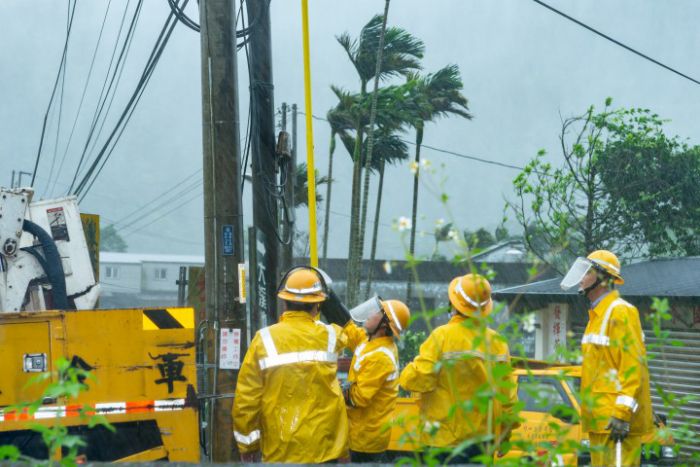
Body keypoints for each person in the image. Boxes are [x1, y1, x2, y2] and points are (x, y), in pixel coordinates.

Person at [232, 266, 349, 463]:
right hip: (326, 449)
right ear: (318, 304)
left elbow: (246, 399)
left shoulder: (264, 339)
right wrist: (331, 303)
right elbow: (355, 333)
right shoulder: (332, 335)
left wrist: (248, 445)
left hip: (281, 450)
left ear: (284, 302)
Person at [399, 273, 518, 464]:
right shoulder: (497, 342)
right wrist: (504, 435)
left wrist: (407, 372)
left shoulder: (442, 336)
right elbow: (508, 397)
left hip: (442, 440)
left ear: (454, 304)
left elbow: (418, 380)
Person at [561, 250, 652, 467]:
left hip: (617, 425)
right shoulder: (597, 315)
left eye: (586, 272)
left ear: (601, 278)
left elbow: (633, 367)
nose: (581, 278)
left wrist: (622, 414)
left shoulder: (620, 312)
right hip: (600, 422)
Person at [341, 297, 411, 463]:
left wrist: (334, 390)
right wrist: (331, 301)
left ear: (384, 325)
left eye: (378, 313)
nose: (371, 314)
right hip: (361, 430)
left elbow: (359, 398)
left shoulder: (380, 357)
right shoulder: (370, 341)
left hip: (366, 437)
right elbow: (351, 332)